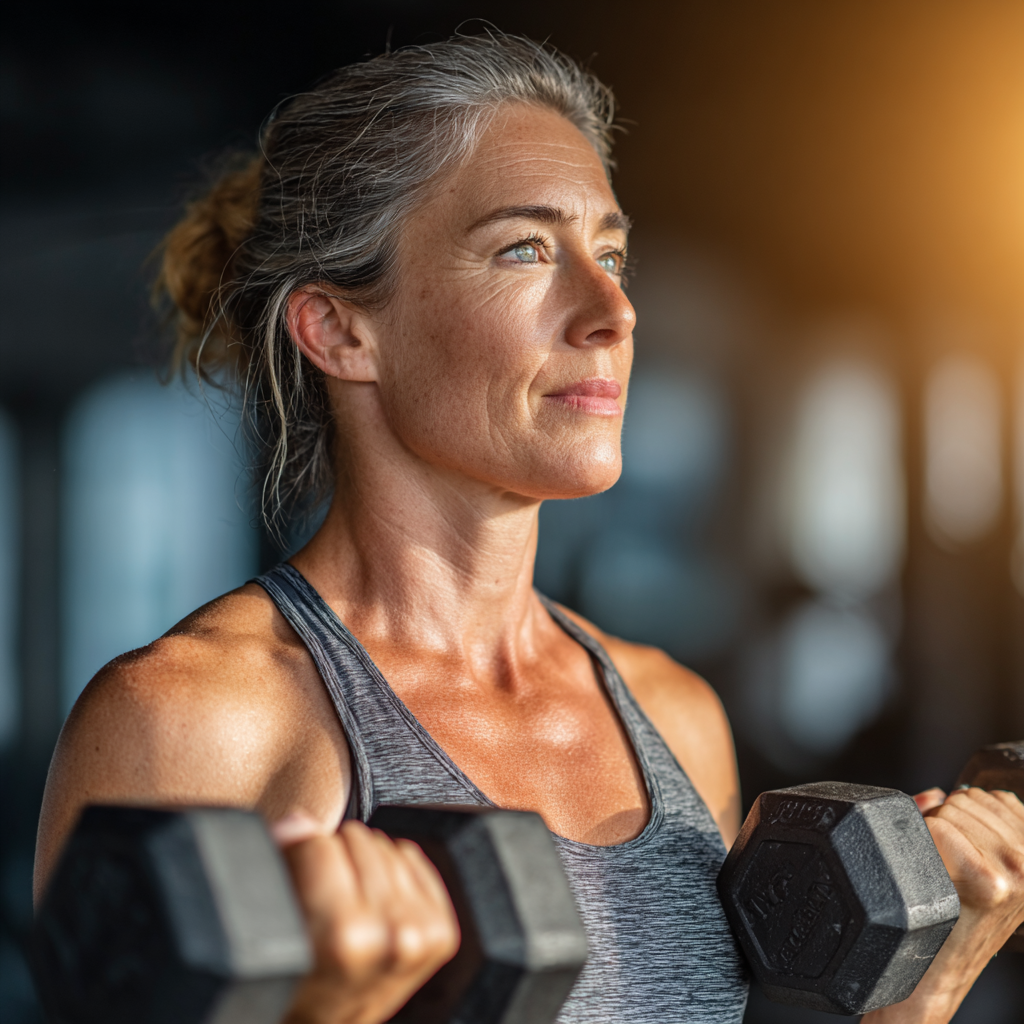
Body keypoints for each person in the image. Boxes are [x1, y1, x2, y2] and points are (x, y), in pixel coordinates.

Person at [33, 32, 1024, 1024]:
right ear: (339, 330)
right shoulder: (193, 720)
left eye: (610, 254)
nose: (613, 312)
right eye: (524, 248)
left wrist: (915, 996)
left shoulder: (675, 715)